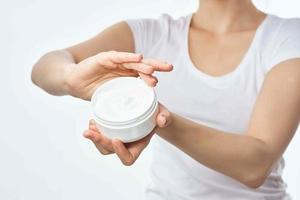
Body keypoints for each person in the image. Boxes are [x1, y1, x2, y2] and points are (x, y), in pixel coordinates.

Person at [31, 0, 300, 199]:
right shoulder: (148, 34)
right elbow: (44, 67)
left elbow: (255, 164)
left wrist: (155, 120)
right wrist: (71, 77)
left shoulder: (287, 38)